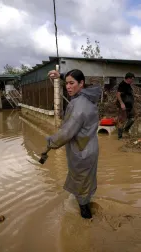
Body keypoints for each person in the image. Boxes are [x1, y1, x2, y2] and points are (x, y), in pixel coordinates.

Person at [46, 69, 102, 219]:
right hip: (90, 147)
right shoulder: (89, 98)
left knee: (82, 188)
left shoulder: (78, 105)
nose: (68, 87)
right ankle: (87, 208)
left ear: (81, 83)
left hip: (82, 152)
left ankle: (86, 223)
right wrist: (61, 76)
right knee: (86, 183)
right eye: (67, 84)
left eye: (72, 83)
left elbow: (65, 133)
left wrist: (50, 142)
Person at [116, 72, 135, 139]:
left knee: (132, 119)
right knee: (122, 120)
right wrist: (122, 103)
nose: (132, 81)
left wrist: (135, 95)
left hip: (129, 106)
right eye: (132, 79)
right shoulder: (122, 85)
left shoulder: (128, 85)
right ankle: (120, 137)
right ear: (128, 78)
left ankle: (126, 130)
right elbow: (118, 95)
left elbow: (128, 93)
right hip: (123, 106)